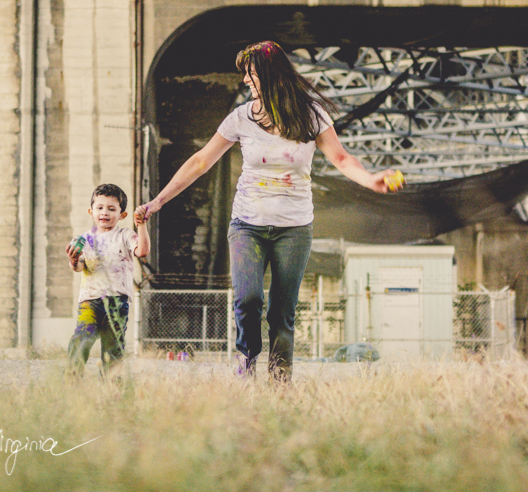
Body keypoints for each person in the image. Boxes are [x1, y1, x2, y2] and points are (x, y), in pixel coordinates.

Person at [137, 41, 400, 382]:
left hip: (294, 227)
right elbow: (201, 161)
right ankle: (248, 357)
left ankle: (280, 380)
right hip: (248, 224)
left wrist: (370, 179)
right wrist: (158, 201)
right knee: (247, 299)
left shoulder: (311, 114)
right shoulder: (242, 117)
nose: (246, 80)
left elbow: (341, 158)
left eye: (250, 74)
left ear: (269, 74)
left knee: (281, 311)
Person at [66, 183, 150, 377]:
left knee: (113, 348)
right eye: (100, 208)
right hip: (90, 300)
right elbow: (78, 266)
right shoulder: (84, 239)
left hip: (117, 302)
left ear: (122, 215)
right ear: (91, 211)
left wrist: (142, 225)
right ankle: (71, 378)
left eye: (112, 209)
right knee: (83, 337)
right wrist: (72, 259)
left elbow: (142, 251)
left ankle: (112, 388)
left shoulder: (125, 235)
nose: (105, 212)